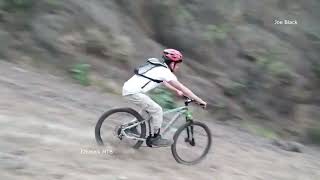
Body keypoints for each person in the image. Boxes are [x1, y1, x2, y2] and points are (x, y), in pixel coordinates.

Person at [122, 49, 207, 147]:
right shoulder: (165, 72)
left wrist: (176, 91)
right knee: (157, 110)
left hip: (130, 89)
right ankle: (155, 138)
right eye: (177, 64)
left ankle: (131, 128)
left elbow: (165, 82)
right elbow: (183, 88)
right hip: (134, 92)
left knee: (148, 111)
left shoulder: (159, 67)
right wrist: (199, 100)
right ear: (171, 63)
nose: (178, 67)